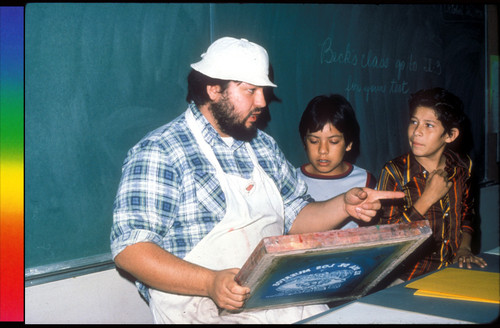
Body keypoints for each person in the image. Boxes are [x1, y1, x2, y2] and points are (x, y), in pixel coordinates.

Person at [110, 36, 404, 324]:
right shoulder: (161, 151)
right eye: (250, 90)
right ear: (214, 89)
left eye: (262, 90)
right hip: (201, 310)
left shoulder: (262, 146)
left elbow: (295, 217)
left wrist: (344, 205)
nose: (262, 102)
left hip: (278, 303)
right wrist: (210, 283)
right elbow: (131, 251)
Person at [376, 87, 487, 286]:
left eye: (428, 125)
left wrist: (464, 248)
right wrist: (427, 198)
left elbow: (467, 213)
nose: (416, 132)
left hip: (453, 268)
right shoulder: (394, 172)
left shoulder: (463, 166)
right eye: (413, 122)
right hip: (405, 278)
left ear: (450, 135)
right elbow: (386, 239)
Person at [297, 94, 377, 230]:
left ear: (349, 144)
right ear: (304, 142)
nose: (323, 150)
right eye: (314, 141)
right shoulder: (291, 180)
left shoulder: (365, 182)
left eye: (333, 141)